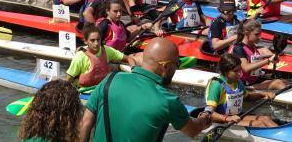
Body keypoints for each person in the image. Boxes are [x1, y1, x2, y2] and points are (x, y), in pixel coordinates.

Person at [78, 37, 212, 141]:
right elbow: (193, 130)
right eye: (176, 64)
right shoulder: (168, 101)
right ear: (165, 67)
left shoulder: (111, 79)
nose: (176, 69)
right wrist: (205, 118)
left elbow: (86, 123)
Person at [204, 53, 278, 128]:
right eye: (236, 71)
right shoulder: (216, 85)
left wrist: (263, 94)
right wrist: (227, 118)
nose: (239, 73)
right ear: (225, 71)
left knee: (266, 118)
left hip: (235, 117)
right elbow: (209, 112)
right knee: (260, 124)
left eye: (240, 70)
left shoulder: (238, 82)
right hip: (221, 120)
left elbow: (248, 97)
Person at [64, 23, 132, 91]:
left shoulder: (106, 50)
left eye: (98, 39)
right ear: (85, 41)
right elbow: (67, 80)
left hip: (102, 91)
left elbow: (128, 58)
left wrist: (135, 71)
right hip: (84, 93)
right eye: (92, 40)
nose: (96, 43)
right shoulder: (80, 57)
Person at [231, 19, 288, 91]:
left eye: (260, 34)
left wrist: (264, 75)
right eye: (256, 34)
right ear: (246, 33)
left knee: (286, 81)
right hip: (243, 85)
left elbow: (253, 70)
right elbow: (246, 68)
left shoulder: (252, 47)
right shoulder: (238, 48)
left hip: (253, 81)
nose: (260, 37)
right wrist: (268, 61)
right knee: (278, 83)